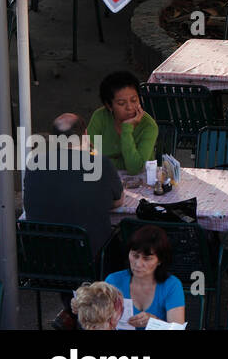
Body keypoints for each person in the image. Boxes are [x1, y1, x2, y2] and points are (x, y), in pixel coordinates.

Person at [23, 113, 125, 329]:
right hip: (89, 262)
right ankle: (100, 314)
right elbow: (118, 202)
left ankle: (71, 311)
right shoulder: (99, 164)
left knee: (63, 239)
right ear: (85, 135)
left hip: (41, 262)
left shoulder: (34, 164)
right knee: (119, 240)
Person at [106, 225, 186, 329]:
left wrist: (154, 322)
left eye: (147, 258)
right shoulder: (113, 281)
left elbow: (177, 327)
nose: (138, 264)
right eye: (135, 256)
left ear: (160, 261)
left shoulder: (172, 285)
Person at [87, 71, 158, 175]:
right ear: (109, 106)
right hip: (102, 177)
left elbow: (135, 168)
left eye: (134, 100)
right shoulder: (100, 117)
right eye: (121, 103)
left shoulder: (149, 126)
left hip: (140, 183)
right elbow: (87, 156)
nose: (129, 107)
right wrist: (123, 163)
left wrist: (127, 129)